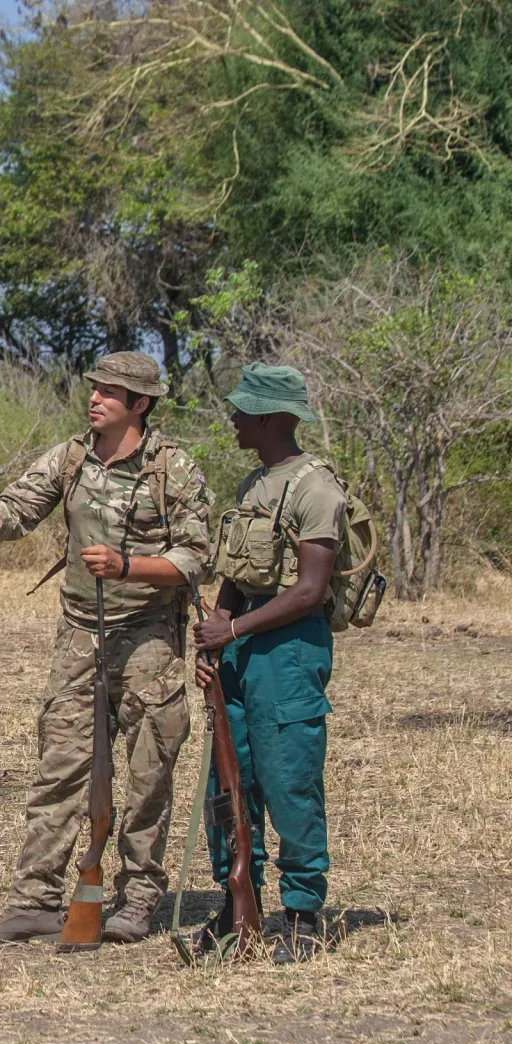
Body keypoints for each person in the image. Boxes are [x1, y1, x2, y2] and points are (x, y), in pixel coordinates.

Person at [0, 351, 214, 946]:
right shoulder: (70, 458)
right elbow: (9, 521)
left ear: (141, 405)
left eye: (111, 393)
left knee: (149, 772)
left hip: (149, 640)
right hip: (79, 636)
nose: (95, 399)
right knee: (60, 766)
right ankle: (35, 899)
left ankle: (138, 897)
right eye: (94, 388)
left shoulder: (172, 468)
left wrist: (129, 566)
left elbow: (198, 556)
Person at [192, 364, 343, 965]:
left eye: (243, 410)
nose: (233, 418)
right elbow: (235, 573)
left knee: (289, 780)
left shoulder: (316, 488)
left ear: (272, 417)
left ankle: (303, 913)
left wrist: (236, 627)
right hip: (243, 645)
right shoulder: (253, 485)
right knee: (229, 780)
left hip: (289, 647)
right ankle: (237, 900)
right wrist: (214, 641)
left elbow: (309, 589)